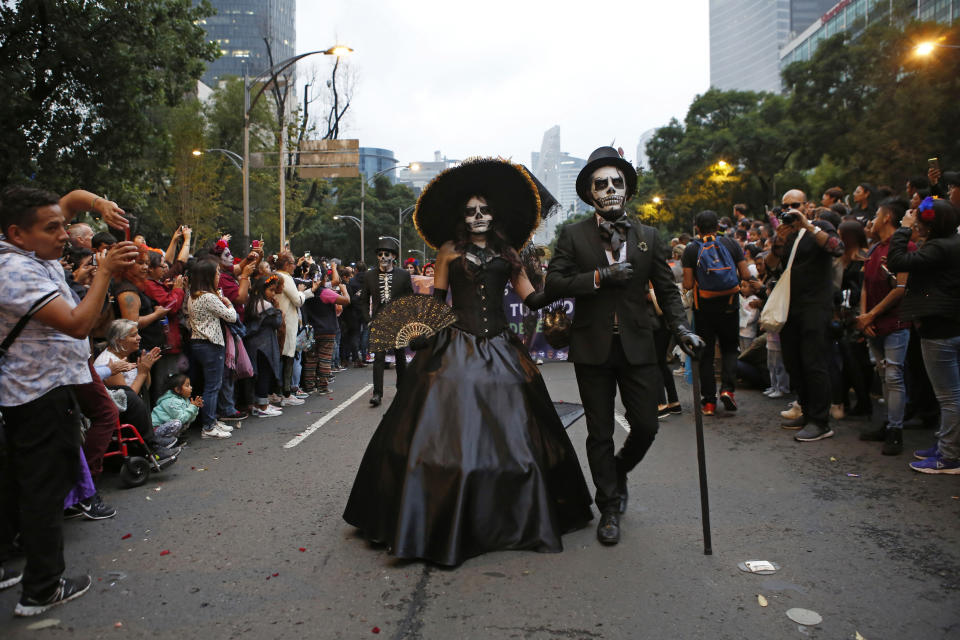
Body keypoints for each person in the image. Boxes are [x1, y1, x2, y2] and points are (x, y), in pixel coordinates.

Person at [344, 158, 593, 566]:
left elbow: (532, 298)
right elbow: (438, 301)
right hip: (455, 345)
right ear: (462, 218)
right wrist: (422, 330)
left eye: (484, 210)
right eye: (470, 212)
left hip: (500, 346)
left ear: (494, 215)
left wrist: (563, 289)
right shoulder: (446, 252)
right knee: (442, 421)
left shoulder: (509, 253)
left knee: (518, 421)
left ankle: (510, 511)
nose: (478, 217)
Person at [545, 146, 703, 545]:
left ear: (627, 191)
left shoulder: (649, 236)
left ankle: (617, 471)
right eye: (602, 184)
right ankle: (609, 506)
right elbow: (555, 283)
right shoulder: (573, 234)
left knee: (647, 425)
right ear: (590, 193)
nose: (610, 188)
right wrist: (599, 276)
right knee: (599, 432)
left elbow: (667, 292)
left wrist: (682, 331)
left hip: (638, 346)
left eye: (617, 182)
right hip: (592, 348)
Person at [0, 186, 138, 616]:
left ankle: (10, 564)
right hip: (37, 394)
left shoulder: (28, 253)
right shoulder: (14, 272)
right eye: (52, 227)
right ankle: (42, 589)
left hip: (41, 388)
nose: (65, 234)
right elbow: (79, 324)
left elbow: (74, 198)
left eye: (64, 224)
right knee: (43, 491)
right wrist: (104, 272)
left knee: (20, 484)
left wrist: (100, 206)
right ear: (17, 234)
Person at [887, 197, 960, 474]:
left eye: (919, 220)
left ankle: (949, 456)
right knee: (951, 395)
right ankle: (946, 446)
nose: (915, 222)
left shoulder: (940, 247)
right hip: (949, 325)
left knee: (949, 397)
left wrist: (902, 229)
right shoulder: (950, 243)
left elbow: (897, 260)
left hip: (940, 330)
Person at [765, 189, 844, 442]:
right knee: (794, 363)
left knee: (814, 363)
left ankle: (820, 421)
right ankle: (808, 412)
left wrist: (808, 225)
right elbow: (768, 266)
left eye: (795, 205)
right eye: (785, 207)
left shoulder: (820, 226)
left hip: (815, 306)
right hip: (791, 307)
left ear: (807, 205)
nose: (790, 211)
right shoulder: (785, 235)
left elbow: (837, 248)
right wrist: (778, 242)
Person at [856, 198, 915, 455]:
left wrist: (872, 315)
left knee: (893, 375)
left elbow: (901, 289)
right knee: (883, 375)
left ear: (888, 217)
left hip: (896, 322)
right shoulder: (874, 249)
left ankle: (896, 430)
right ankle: (888, 422)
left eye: (877, 214)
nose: (873, 219)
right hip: (873, 323)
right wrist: (863, 316)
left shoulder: (905, 247)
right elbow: (866, 286)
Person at [682, 210, 755, 415]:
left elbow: (687, 283)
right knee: (730, 349)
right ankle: (728, 391)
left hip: (703, 309)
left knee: (705, 354)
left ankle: (709, 403)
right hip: (729, 305)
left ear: (697, 227)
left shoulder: (691, 249)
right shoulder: (731, 244)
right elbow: (746, 274)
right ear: (718, 226)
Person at [356, 237, 413, 406]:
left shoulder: (403, 275)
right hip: (378, 321)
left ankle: (402, 389)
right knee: (379, 358)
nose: (382, 257)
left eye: (386, 254)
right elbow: (364, 300)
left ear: (393, 257)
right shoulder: (369, 276)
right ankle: (377, 394)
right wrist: (368, 320)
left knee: (400, 356)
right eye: (380, 254)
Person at [185, 259, 238, 439]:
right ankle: (208, 426)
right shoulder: (208, 297)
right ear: (208, 276)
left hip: (199, 342)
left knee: (209, 385)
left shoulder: (193, 296)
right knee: (212, 386)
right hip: (210, 343)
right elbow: (231, 316)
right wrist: (228, 302)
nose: (219, 277)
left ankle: (212, 421)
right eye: (216, 273)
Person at [301, 262, 351, 394]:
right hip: (327, 330)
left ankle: (309, 386)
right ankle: (323, 386)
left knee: (310, 359)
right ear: (323, 278)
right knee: (324, 359)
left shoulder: (305, 291)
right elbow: (346, 301)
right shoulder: (325, 292)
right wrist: (344, 289)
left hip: (310, 331)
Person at [274, 252, 311, 405]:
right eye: (293, 264)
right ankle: (287, 394)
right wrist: (304, 292)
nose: (295, 266)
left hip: (278, 320)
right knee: (288, 356)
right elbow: (297, 300)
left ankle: (276, 391)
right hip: (287, 322)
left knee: (280, 357)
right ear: (287, 265)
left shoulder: (275, 275)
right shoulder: (286, 278)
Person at [151, 374, 202, 439]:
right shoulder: (171, 402)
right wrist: (192, 407)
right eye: (187, 385)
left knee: (181, 423)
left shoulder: (184, 399)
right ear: (177, 389)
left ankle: (172, 439)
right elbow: (182, 419)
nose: (191, 387)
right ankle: (161, 441)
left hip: (165, 427)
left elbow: (190, 419)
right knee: (177, 423)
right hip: (156, 430)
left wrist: (195, 407)